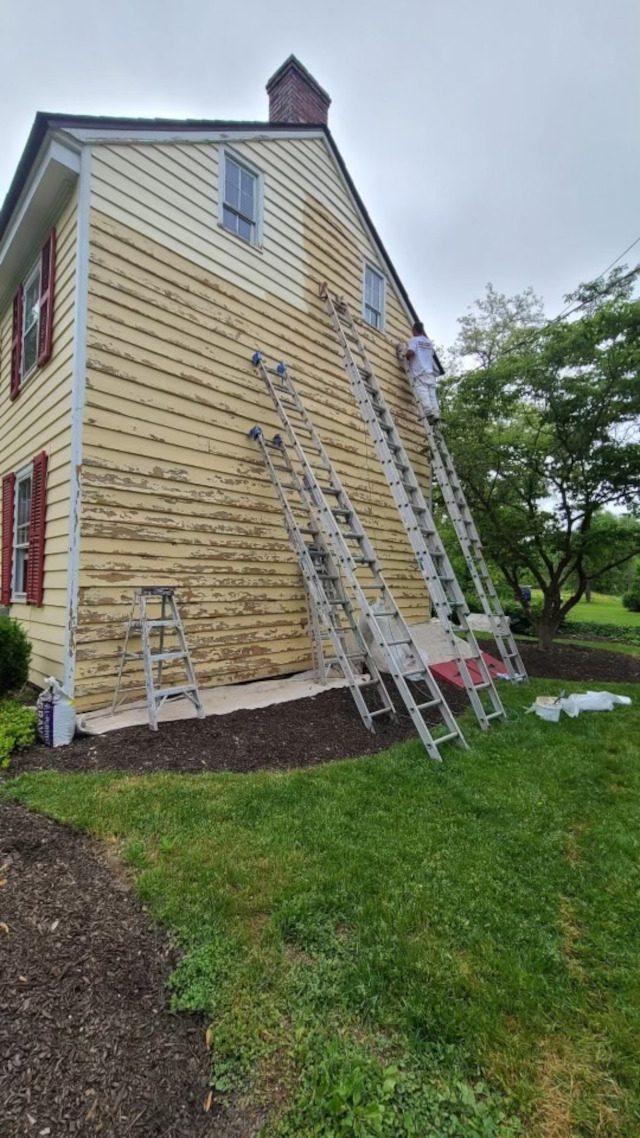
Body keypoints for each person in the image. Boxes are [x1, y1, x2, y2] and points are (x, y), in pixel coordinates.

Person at [405, 321, 440, 421]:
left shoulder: (415, 340)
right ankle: (436, 413)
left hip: (419, 371)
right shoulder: (429, 342)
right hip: (430, 372)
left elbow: (411, 352)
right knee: (431, 393)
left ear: (414, 330)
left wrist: (405, 356)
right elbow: (430, 355)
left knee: (423, 391)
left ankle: (429, 413)